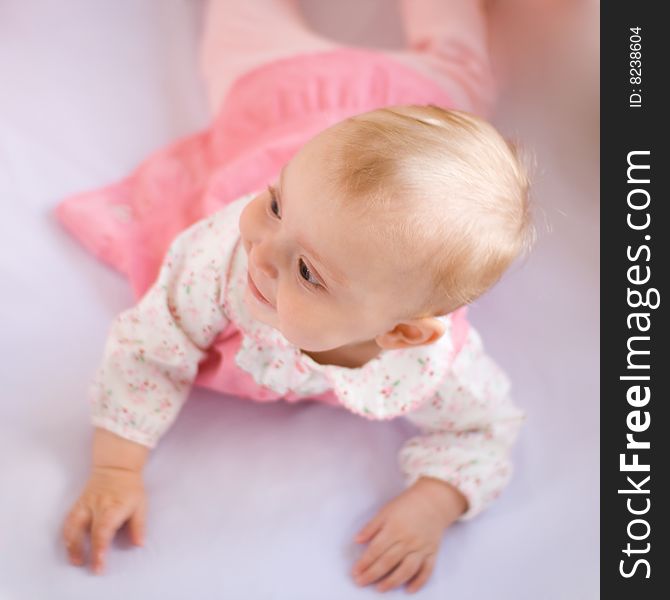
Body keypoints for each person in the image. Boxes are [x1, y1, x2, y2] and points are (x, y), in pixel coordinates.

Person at [58, 0, 533, 593]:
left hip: (423, 117)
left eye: (308, 272)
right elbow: (151, 346)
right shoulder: (221, 259)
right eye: (276, 203)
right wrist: (116, 467)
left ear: (403, 333)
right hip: (286, 85)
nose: (261, 250)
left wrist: (434, 502)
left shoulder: (434, 364)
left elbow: (485, 428)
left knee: (463, 67)